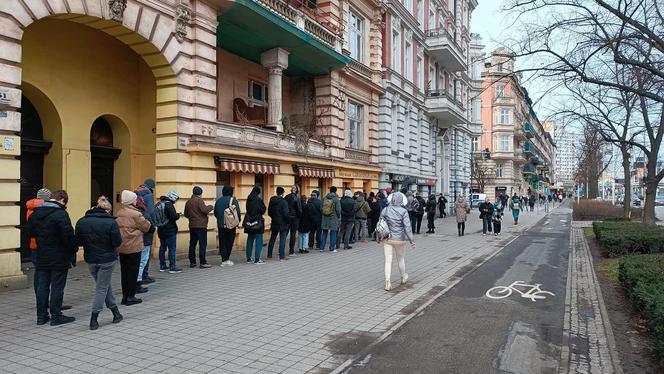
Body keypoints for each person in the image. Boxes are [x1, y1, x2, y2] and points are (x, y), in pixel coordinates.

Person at [29, 189, 78, 326]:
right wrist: (73, 249)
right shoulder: (61, 214)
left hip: (42, 254)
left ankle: (41, 316)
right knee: (57, 286)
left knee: (42, 286)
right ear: (62, 200)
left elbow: (31, 233)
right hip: (59, 256)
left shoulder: (35, 214)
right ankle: (56, 315)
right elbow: (68, 236)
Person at [75, 196, 123, 330]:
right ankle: (93, 318)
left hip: (90, 259)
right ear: (107, 210)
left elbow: (78, 242)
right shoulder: (111, 223)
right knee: (102, 288)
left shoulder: (82, 222)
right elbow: (117, 242)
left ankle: (116, 312)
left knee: (104, 286)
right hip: (107, 259)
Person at [117, 190, 152, 305]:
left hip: (122, 246)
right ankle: (130, 297)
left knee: (124, 272)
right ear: (132, 201)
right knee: (132, 272)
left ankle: (124, 296)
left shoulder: (120, 212)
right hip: (133, 246)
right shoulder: (136, 214)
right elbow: (146, 227)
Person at [379, 192, 415, 291]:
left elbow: (380, 223)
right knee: (400, 259)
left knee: (388, 260)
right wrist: (411, 240)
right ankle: (403, 277)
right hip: (399, 239)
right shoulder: (404, 211)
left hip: (387, 238)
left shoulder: (385, 210)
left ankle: (387, 282)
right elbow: (407, 227)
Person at [184, 186, 213, 269]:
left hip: (192, 226)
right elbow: (204, 210)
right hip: (201, 226)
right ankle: (203, 262)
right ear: (200, 193)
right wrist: (210, 207)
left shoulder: (188, 201)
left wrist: (192, 218)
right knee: (202, 244)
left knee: (192, 244)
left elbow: (186, 214)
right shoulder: (199, 200)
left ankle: (192, 262)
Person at [135, 179, 156, 286]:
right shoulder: (148, 194)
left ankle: (139, 276)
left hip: (136, 227)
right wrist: (153, 224)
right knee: (145, 253)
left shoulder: (135, 192)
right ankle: (143, 276)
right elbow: (151, 212)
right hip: (146, 225)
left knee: (139, 253)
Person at [214, 186, 241, 266]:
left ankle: (223, 260)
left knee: (222, 242)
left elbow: (216, 213)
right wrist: (238, 221)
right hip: (231, 225)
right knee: (229, 242)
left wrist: (220, 220)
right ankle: (226, 259)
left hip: (221, 225)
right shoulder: (233, 200)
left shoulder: (218, 201)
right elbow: (237, 212)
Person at [157, 191, 182, 272]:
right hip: (169, 230)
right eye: (176, 199)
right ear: (173, 198)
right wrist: (178, 215)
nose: (176, 201)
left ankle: (162, 265)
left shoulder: (160, 203)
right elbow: (173, 216)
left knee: (162, 248)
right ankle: (172, 267)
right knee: (172, 249)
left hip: (161, 229)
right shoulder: (169, 205)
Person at [26, 188, 51, 266]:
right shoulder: (47, 209)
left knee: (37, 267)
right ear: (48, 197)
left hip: (33, 242)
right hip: (45, 243)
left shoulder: (30, 209)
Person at [243, 186, 266, 264]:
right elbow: (263, 209)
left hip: (249, 221)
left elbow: (247, 209)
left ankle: (249, 258)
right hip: (257, 221)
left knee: (250, 239)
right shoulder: (258, 200)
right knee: (259, 240)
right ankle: (257, 259)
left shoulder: (248, 199)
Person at [267, 186, 289, 260]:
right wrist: (288, 220)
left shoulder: (272, 200)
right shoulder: (283, 201)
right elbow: (286, 214)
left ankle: (269, 254)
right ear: (282, 193)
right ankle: (282, 256)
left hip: (274, 221)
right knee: (282, 239)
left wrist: (274, 217)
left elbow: (269, 212)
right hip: (282, 222)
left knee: (273, 238)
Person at [320, 186, 341, 252]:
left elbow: (321, 208)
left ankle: (322, 248)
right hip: (333, 218)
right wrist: (338, 216)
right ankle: (332, 248)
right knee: (333, 233)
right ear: (335, 191)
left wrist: (324, 214)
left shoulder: (324, 198)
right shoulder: (336, 199)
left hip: (325, 218)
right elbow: (338, 210)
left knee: (324, 233)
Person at [284, 185, 302, 256]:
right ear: (297, 190)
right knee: (293, 234)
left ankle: (281, 250)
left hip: (287, 217)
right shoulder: (297, 198)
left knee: (284, 234)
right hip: (294, 218)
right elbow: (299, 210)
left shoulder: (286, 197)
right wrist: (299, 217)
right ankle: (291, 251)